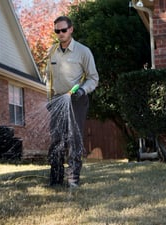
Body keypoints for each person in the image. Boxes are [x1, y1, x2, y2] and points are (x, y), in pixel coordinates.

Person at [45, 16, 99, 187]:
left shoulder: (83, 52)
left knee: (74, 139)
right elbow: (49, 78)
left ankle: (73, 178)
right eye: (57, 31)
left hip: (77, 99)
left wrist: (82, 90)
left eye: (63, 30)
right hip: (58, 100)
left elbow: (93, 78)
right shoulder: (52, 52)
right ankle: (56, 178)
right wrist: (49, 98)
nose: (60, 34)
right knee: (56, 139)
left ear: (71, 29)